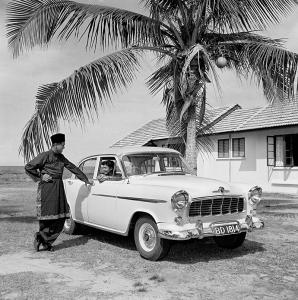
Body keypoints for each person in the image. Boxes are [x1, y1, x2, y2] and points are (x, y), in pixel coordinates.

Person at [25, 133, 93, 252]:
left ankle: (44, 239)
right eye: (63, 145)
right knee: (46, 217)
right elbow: (28, 167)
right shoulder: (44, 155)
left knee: (61, 217)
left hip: (59, 188)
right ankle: (45, 241)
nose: (64, 147)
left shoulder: (61, 157)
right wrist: (41, 176)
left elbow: (72, 167)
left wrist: (85, 180)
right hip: (46, 189)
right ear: (56, 144)